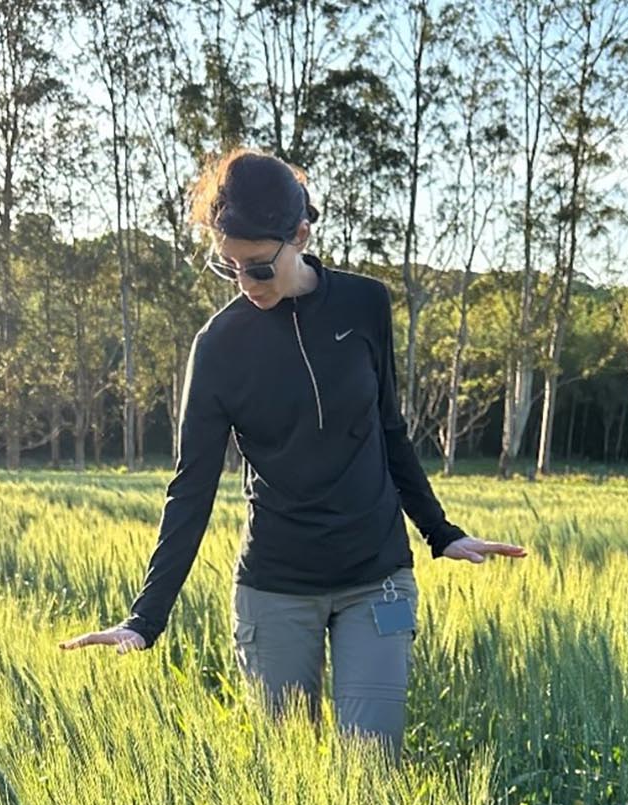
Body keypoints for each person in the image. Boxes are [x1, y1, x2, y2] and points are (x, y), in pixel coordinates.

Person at [59, 147, 526, 763]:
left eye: (257, 267)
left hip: (377, 580)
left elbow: (388, 430)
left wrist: (440, 532)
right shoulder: (218, 347)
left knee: (371, 771)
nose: (245, 284)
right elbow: (191, 488)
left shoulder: (365, 305)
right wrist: (146, 619)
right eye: (228, 268)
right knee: (293, 780)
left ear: (301, 234)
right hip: (275, 591)